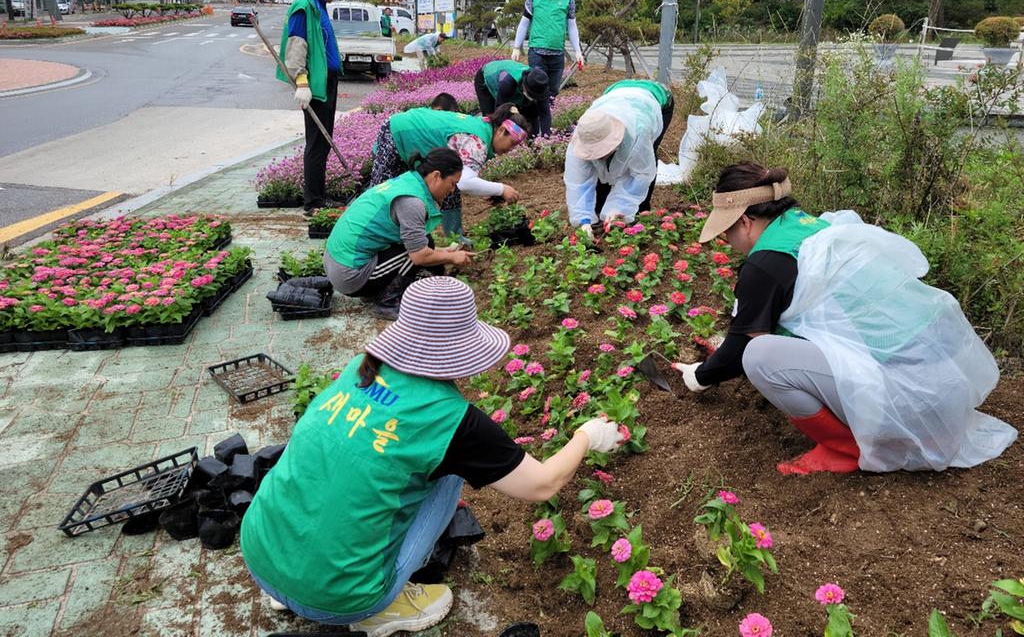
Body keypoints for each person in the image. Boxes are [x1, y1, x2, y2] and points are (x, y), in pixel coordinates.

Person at [241, 276, 624, 637]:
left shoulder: (359, 368)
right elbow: (544, 484)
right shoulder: (452, 422)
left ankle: (289, 583)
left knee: (342, 455)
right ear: (463, 346)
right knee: (449, 471)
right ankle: (378, 611)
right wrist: (587, 435)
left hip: (258, 550)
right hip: (338, 599)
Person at [672, 162, 1017, 475]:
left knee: (759, 358)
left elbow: (743, 347)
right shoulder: (809, 227)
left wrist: (700, 375)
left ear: (745, 221)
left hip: (904, 401)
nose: (727, 241)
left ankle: (847, 450)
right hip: (938, 386)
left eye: (726, 232)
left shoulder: (765, 263)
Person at [323, 148, 474, 319]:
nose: (453, 190)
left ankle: (376, 290)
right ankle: (387, 303)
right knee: (418, 251)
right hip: (349, 275)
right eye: (453, 183)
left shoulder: (408, 181)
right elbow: (419, 256)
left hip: (336, 262)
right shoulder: (412, 203)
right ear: (436, 176)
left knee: (425, 243)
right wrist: (452, 258)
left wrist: (443, 251)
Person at [369, 104, 527, 236]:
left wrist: (488, 191)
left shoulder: (482, 128)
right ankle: (369, 234)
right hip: (400, 131)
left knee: (450, 183)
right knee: (384, 193)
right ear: (500, 131)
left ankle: (453, 236)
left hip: (409, 128)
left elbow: (460, 179)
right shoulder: (477, 141)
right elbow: (465, 183)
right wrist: (501, 189)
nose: (511, 149)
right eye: (512, 143)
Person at [564, 79, 673, 239]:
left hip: (655, 98)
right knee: (602, 171)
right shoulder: (585, 133)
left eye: (602, 150)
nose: (598, 155)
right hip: (615, 91)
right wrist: (584, 219)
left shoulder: (639, 131)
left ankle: (641, 211)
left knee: (644, 159)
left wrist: (619, 209)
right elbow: (578, 182)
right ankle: (601, 214)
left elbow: (641, 175)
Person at [278, 0, 343, 214]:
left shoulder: (318, 5)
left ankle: (319, 195)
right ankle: (313, 202)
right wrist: (301, 82)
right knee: (317, 142)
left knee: (323, 141)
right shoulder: (303, 6)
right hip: (314, 85)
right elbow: (296, 46)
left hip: (326, 81)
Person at [510, 0, 584, 117]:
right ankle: (536, 120)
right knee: (537, 88)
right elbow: (524, 23)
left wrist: (578, 51)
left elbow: (572, 26)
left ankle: (544, 119)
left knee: (553, 90)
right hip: (537, 52)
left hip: (557, 53)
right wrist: (517, 47)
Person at [473, 60, 552, 137]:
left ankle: (530, 141)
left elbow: (545, 113)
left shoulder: (541, 85)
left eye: (535, 97)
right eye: (531, 95)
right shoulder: (508, 84)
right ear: (524, 86)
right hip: (487, 77)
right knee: (491, 119)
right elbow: (500, 112)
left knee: (532, 113)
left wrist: (545, 138)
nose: (533, 99)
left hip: (512, 85)